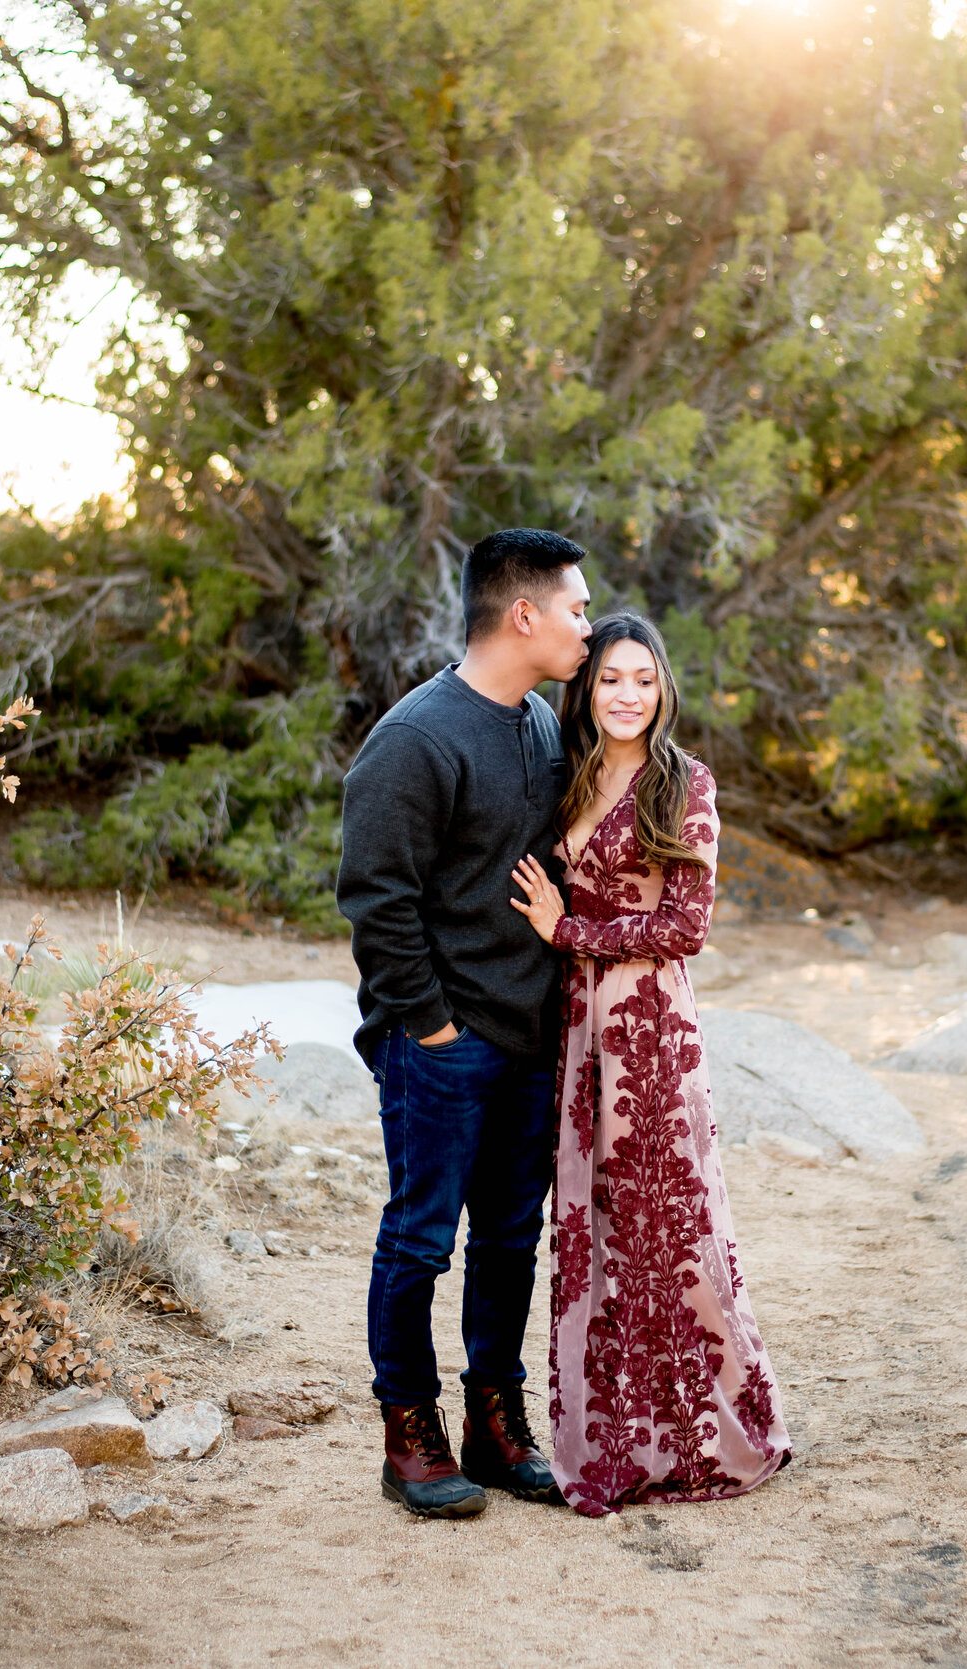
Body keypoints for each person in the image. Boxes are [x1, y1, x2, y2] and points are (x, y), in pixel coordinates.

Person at [507, 612, 792, 1517]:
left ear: (663, 688)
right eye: (608, 680)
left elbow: (685, 928)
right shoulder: (568, 776)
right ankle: (615, 1442)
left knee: (668, 1225)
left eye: (642, 678)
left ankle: (712, 1435)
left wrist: (569, 931)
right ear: (584, 693)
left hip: (652, 1031)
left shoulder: (685, 784)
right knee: (598, 1226)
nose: (627, 695)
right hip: (578, 1032)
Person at [336, 528, 593, 1518]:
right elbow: (377, 899)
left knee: (511, 1240)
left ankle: (495, 1422)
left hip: (528, 1038)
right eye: (575, 606)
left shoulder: (535, 723)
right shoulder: (415, 738)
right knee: (420, 1240)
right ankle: (410, 1432)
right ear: (521, 614)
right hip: (441, 1043)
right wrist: (433, 1028)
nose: (585, 622)